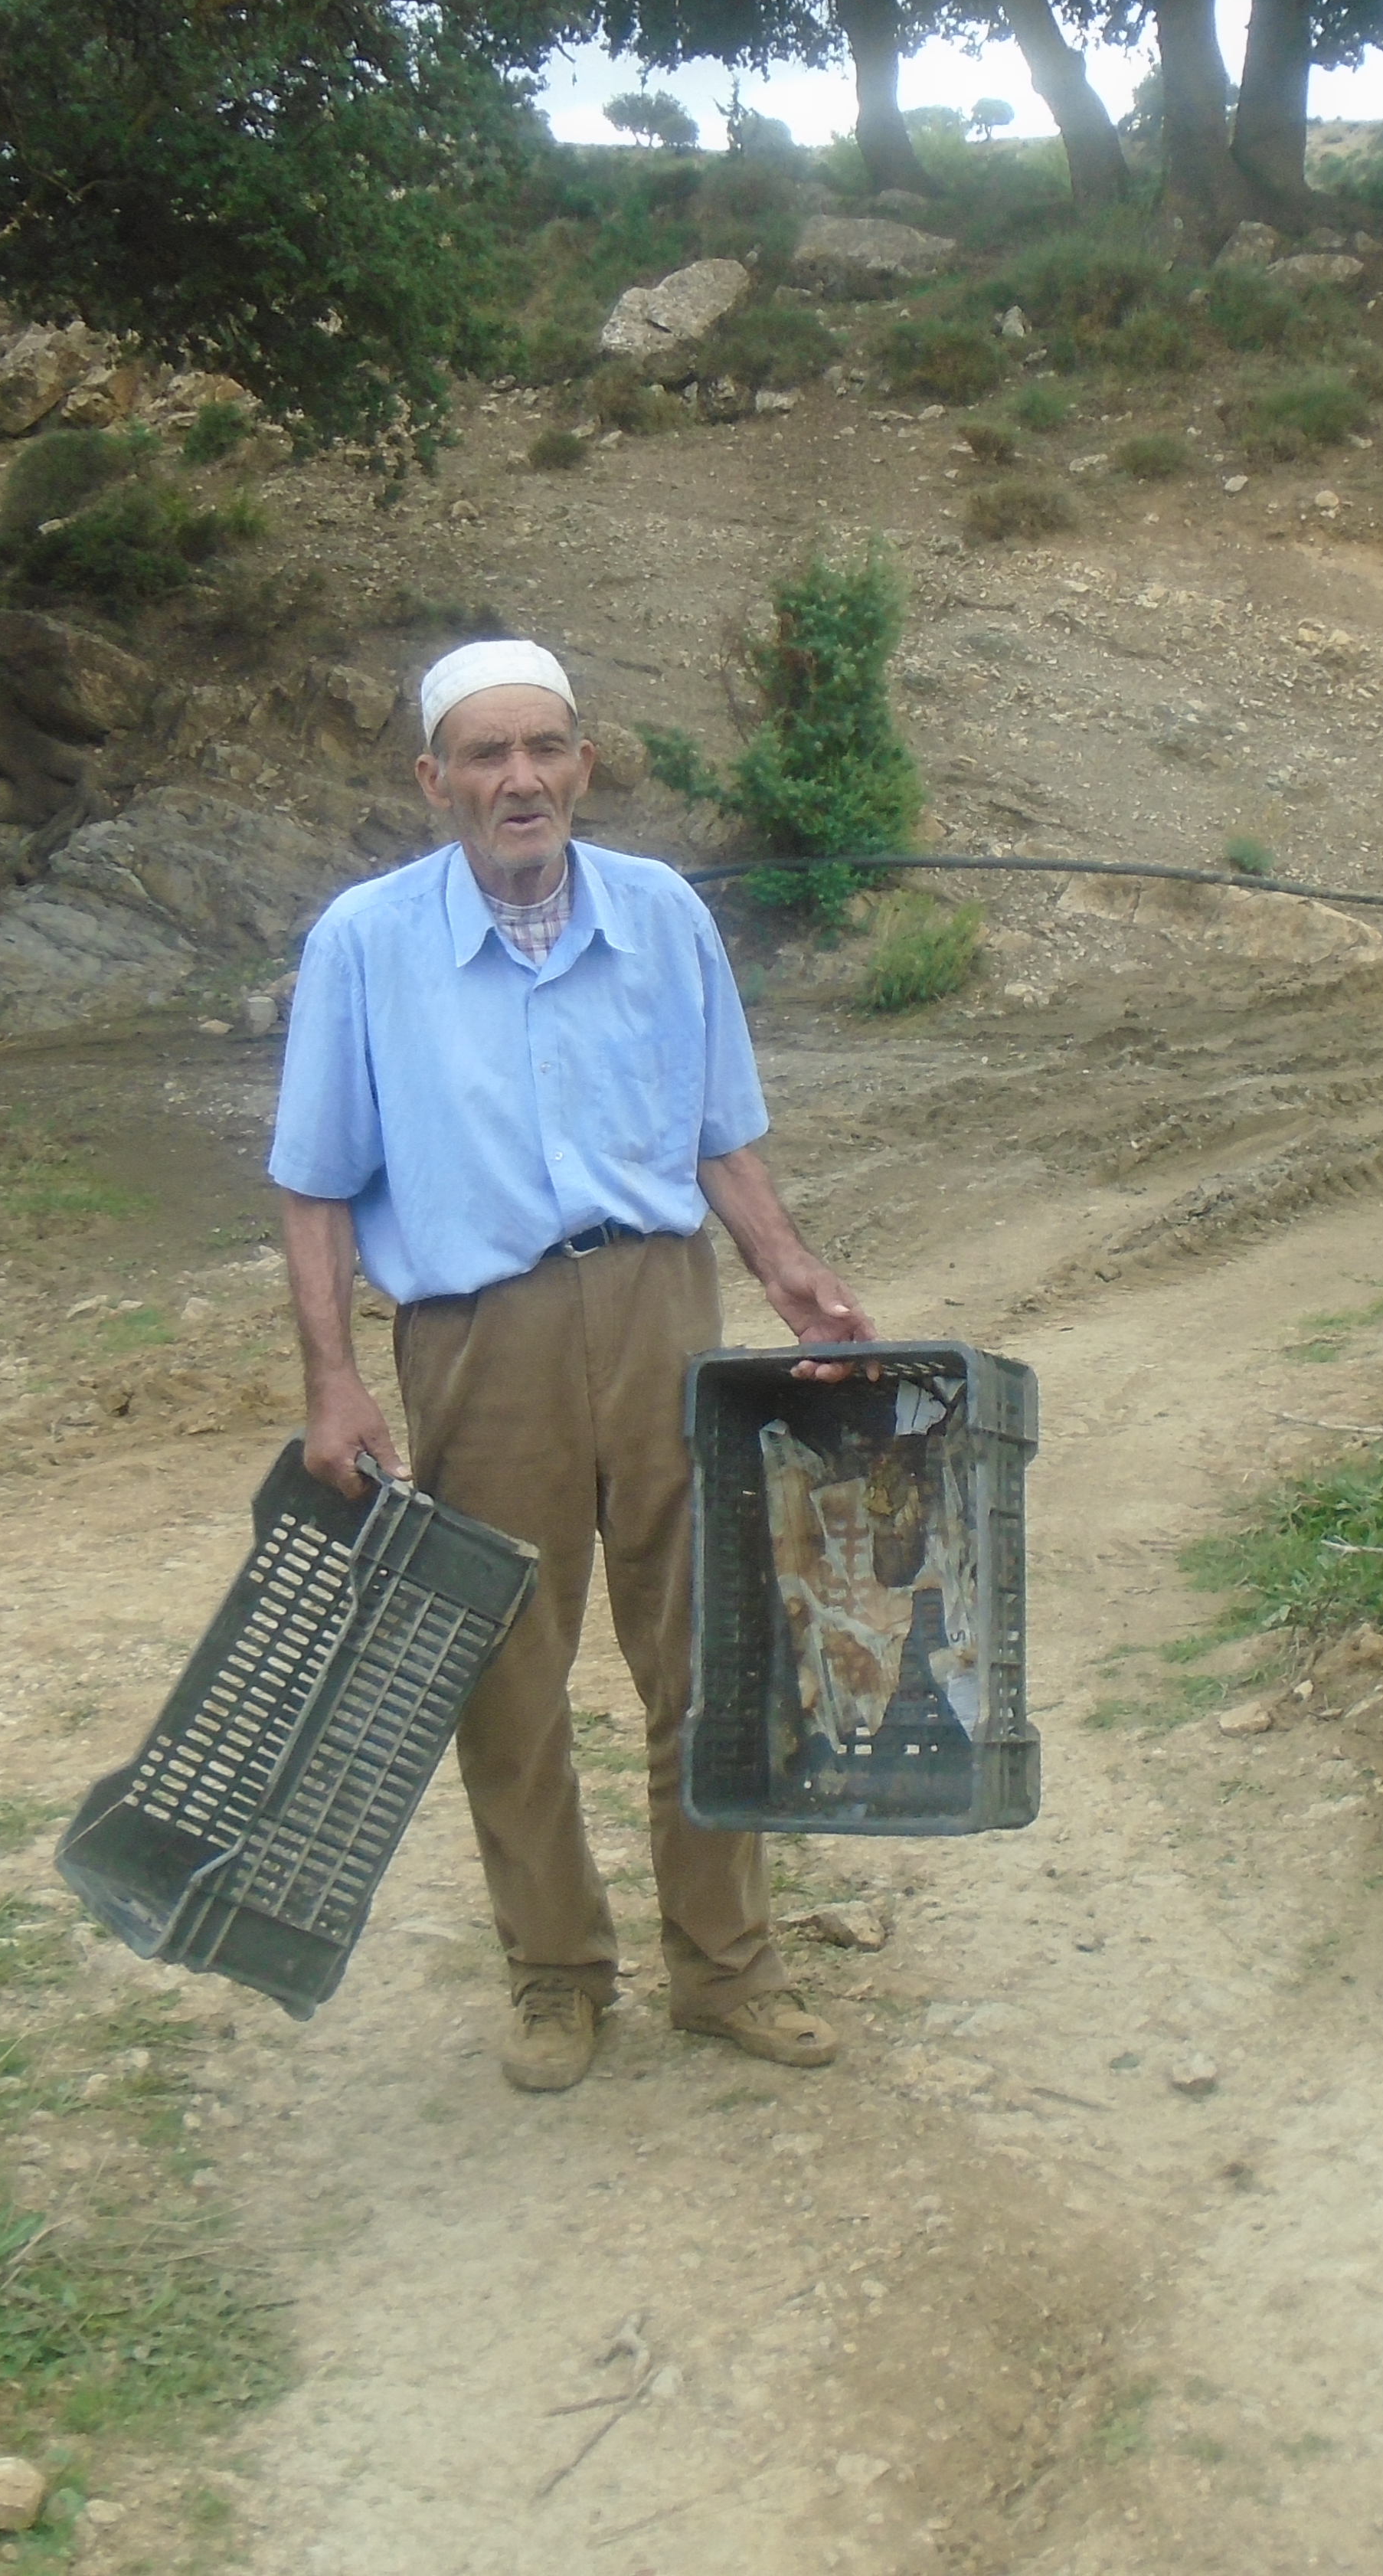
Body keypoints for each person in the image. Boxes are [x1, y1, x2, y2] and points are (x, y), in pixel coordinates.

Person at [269, 637, 878, 2093]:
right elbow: (312, 1186)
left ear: (583, 765)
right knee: (503, 1666)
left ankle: (728, 1971)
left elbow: (718, 1127)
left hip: (664, 1305)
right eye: (485, 755)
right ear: (436, 781)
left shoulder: (662, 915)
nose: (519, 779)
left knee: (708, 1647)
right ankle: (555, 1975)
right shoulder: (364, 942)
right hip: (479, 1335)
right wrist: (333, 1382)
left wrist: (785, 1267)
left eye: (543, 749)